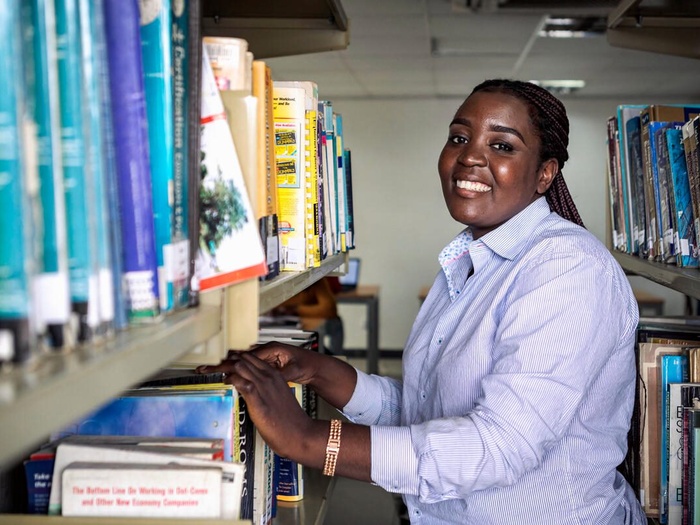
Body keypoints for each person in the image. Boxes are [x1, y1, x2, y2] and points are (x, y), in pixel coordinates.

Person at [197, 79, 645, 524]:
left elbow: (495, 447)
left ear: (544, 174)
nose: (470, 156)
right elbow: (429, 409)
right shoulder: (471, 260)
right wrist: (318, 370)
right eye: (459, 137)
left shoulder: (566, 267)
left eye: (503, 146)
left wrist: (308, 439)